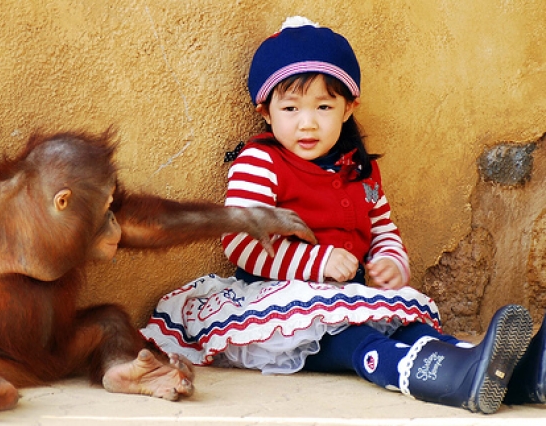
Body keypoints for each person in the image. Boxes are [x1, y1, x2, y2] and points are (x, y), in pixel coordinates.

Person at [141, 16, 546, 414]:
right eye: (291, 108)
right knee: (361, 343)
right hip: (283, 306)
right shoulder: (259, 161)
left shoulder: (360, 169)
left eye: (323, 106)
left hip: (351, 296)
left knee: (412, 325)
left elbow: (383, 228)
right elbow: (240, 241)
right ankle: (445, 379)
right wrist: (317, 262)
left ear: (349, 107)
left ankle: (513, 373)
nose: (307, 123)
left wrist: (391, 261)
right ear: (265, 112)